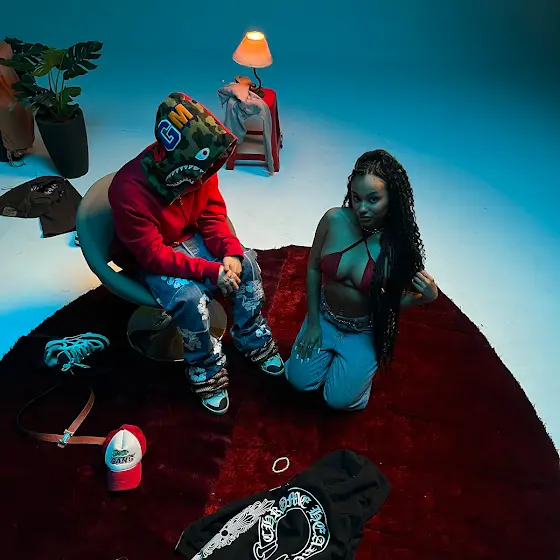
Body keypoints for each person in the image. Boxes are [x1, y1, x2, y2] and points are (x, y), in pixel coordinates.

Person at [108, 92, 284, 415]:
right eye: (199, 172)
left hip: (190, 238)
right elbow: (152, 256)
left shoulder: (202, 165)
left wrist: (229, 253)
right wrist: (210, 271)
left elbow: (212, 215)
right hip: (154, 256)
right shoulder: (127, 190)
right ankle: (204, 366)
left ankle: (250, 335)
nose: (204, 178)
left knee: (246, 262)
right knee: (189, 298)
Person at [285, 149, 438, 411]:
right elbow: (313, 268)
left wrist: (428, 297)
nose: (361, 208)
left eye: (373, 199)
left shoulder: (397, 247)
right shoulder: (333, 219)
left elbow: (391, 300)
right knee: (298, 381)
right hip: (324, 316)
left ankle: (357, 372)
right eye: (356, 198)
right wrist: (313, 322)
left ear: (392, 198)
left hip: (363, 330)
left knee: (338, 400)